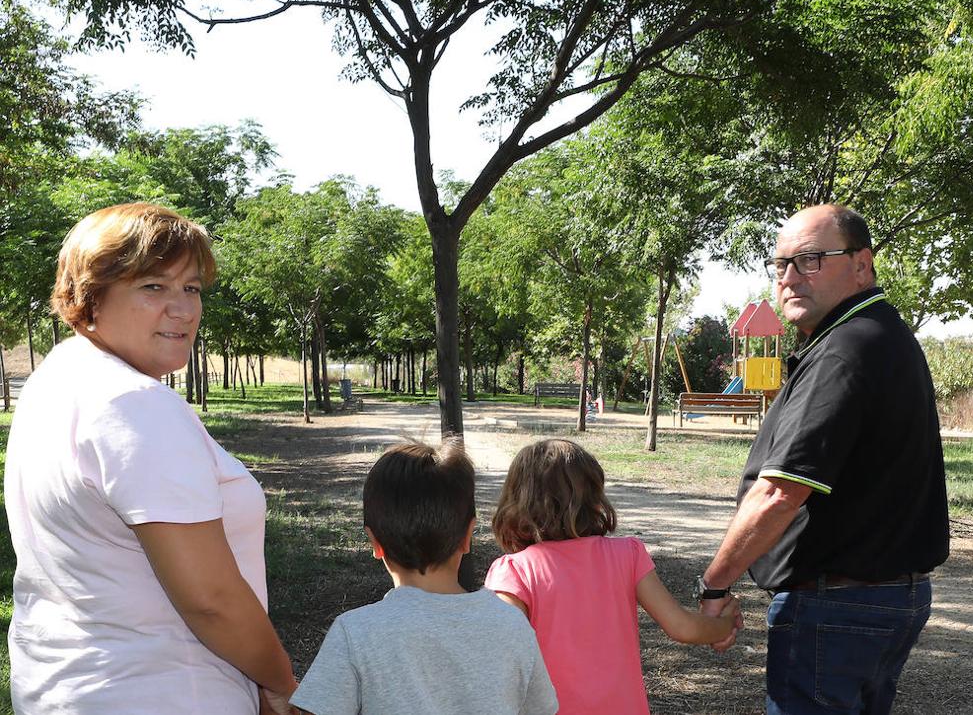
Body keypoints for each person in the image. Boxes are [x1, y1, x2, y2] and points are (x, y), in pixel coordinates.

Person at [5, 202, 297, 714]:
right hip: (162, 691)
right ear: (90, 297)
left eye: (191, 288)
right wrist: (281, 683)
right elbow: (211, 599)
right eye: (153, 287)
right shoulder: (133, 404)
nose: (183, 309)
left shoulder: (58, 376)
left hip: (68, 685)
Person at [696, 205, 950, 715]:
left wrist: (715, 583)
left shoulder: (844, 349)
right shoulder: (882, 335)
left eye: (810, 260)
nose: (789, 278)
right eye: (780, 264)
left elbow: (780, 492)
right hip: (886, 598)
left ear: (862, 264)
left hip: (836, 604)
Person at [290, 441, 558, 715]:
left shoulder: (355, 632)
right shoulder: (512, 624)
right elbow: (541, 708)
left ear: (375, 543)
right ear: (468, 536)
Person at [484, 438, 740, 715]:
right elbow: (683, 627)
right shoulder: (627, 555)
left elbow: (501, 658)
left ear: (516, 500)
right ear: (594, 497)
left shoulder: (514, 572)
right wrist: (726, 624)